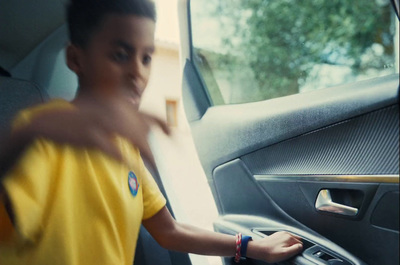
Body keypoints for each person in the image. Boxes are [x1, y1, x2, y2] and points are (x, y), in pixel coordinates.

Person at [0, 0, 303, 264]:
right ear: (76, 59)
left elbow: (168, 231)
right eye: (120, 55)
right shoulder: (43, 132)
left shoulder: (126, 146)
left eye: (146, 58)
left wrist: (252, 247)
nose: (138, 72)